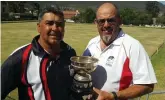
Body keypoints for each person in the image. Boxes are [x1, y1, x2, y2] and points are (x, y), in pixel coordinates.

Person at [1, 5, 83, 100]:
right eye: (49, 23)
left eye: (59, 24)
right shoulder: (21, 57)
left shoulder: (70, 53)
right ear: (39, 27)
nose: (55, 28)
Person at [83, 3, 157, 100]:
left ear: (119, 21)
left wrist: (113, 96)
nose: (106, 25)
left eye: (111, 20)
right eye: (101, 21)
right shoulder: (92, 43)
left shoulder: (132, 46)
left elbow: (148, 85)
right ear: (96, 23)